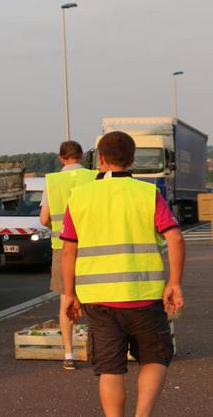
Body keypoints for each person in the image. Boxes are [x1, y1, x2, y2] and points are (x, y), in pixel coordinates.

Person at [60, 131, 185, 417]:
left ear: (100, 159)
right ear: (132, 160)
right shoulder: (147, 194)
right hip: (144, 297)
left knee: (110, 368)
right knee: (155, 358)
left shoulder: (79, 197)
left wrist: (70, 293)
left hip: (99, 300)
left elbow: (69, 252)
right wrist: (174, 283)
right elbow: (175, 238)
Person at [39, 140, 97, 370]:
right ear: (82, 156)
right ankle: (98, 349)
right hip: (92, 247)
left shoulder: (52, 181)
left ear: (61, 158)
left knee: (66, 299)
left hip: (61, 248)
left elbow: (44, 219)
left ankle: (69, 354)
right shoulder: (95, 177)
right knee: (94, 300)